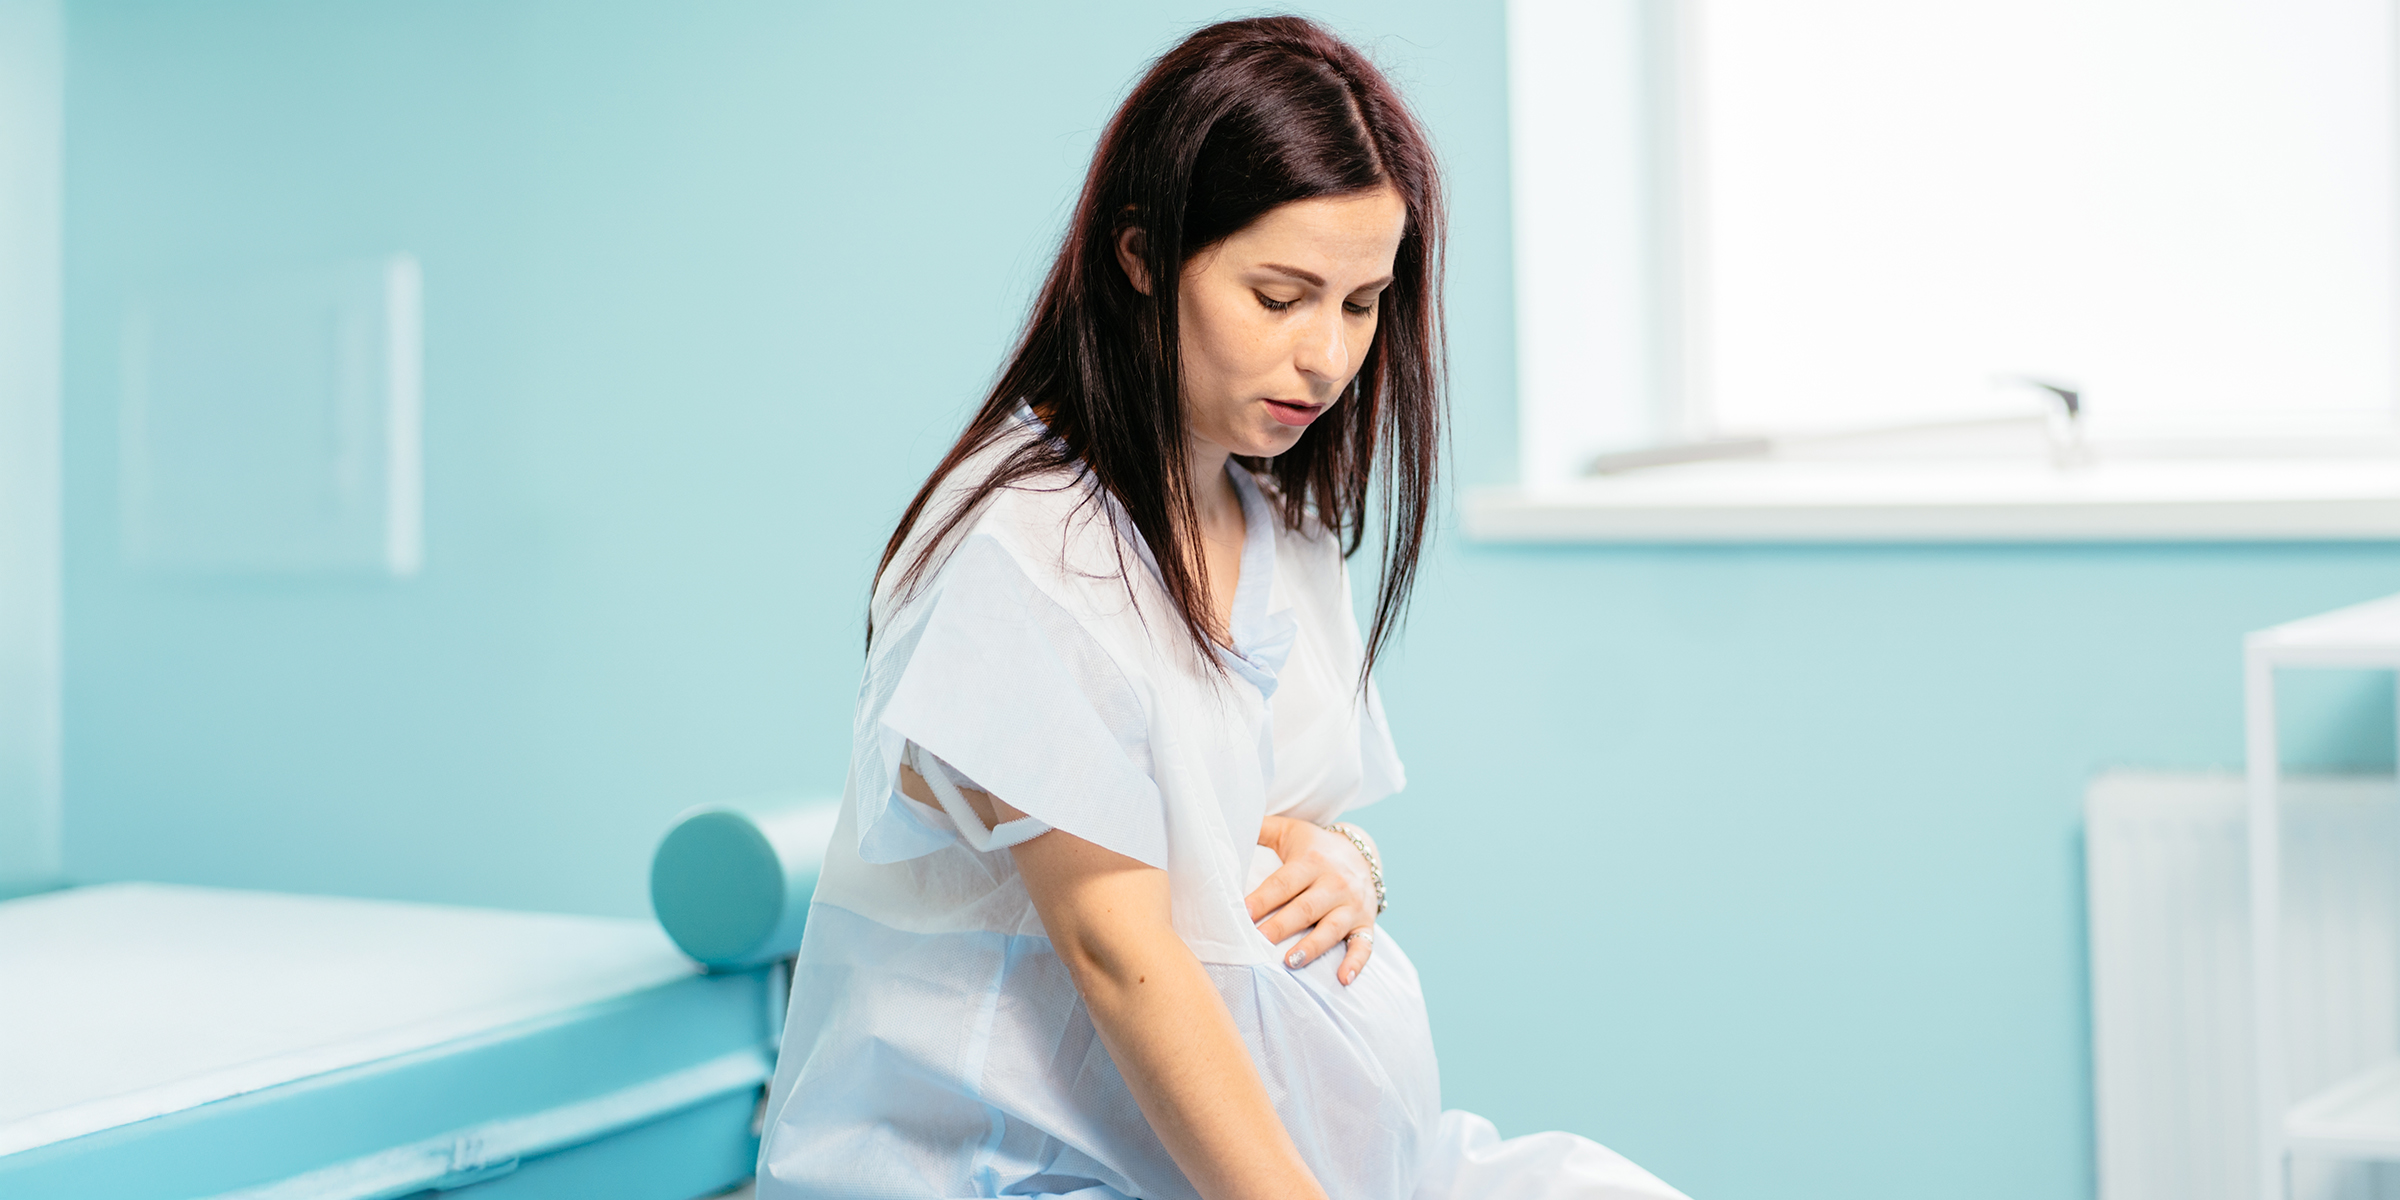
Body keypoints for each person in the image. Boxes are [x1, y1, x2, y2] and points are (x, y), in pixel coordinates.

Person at [757, 16, 1688, 1200]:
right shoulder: (1024, 551)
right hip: (1028, 1172)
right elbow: (1116, 948)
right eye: (1280, 295)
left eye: (1360, 305)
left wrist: (1348, 862)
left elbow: (1280, 828)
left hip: (1300, 1159)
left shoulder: (1275, 527)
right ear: (1143, 256)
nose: (1326, 358)